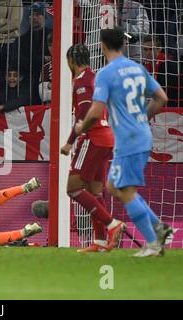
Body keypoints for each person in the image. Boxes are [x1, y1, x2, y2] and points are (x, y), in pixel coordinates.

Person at [75, 27, 172, 257]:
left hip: (128, 138)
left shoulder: (106, 74)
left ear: (102, 46)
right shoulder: (138, 69)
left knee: (124, 191)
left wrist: (81, 127)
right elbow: (162, 98)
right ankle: (161, 229)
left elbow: (96, 110)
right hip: (139, 134)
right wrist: (142, 117)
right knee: (112, 187)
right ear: (123, 45)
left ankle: (153, 243)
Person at [61, 44, 125, 253]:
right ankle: (101, 242)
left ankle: (112, 224)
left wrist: (70, 141)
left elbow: (84, 111)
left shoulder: (82, 81)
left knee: (73, 187)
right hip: (107, 138)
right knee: (95, 192)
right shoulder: (97, 77)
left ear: (71, 61)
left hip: (93, 138)